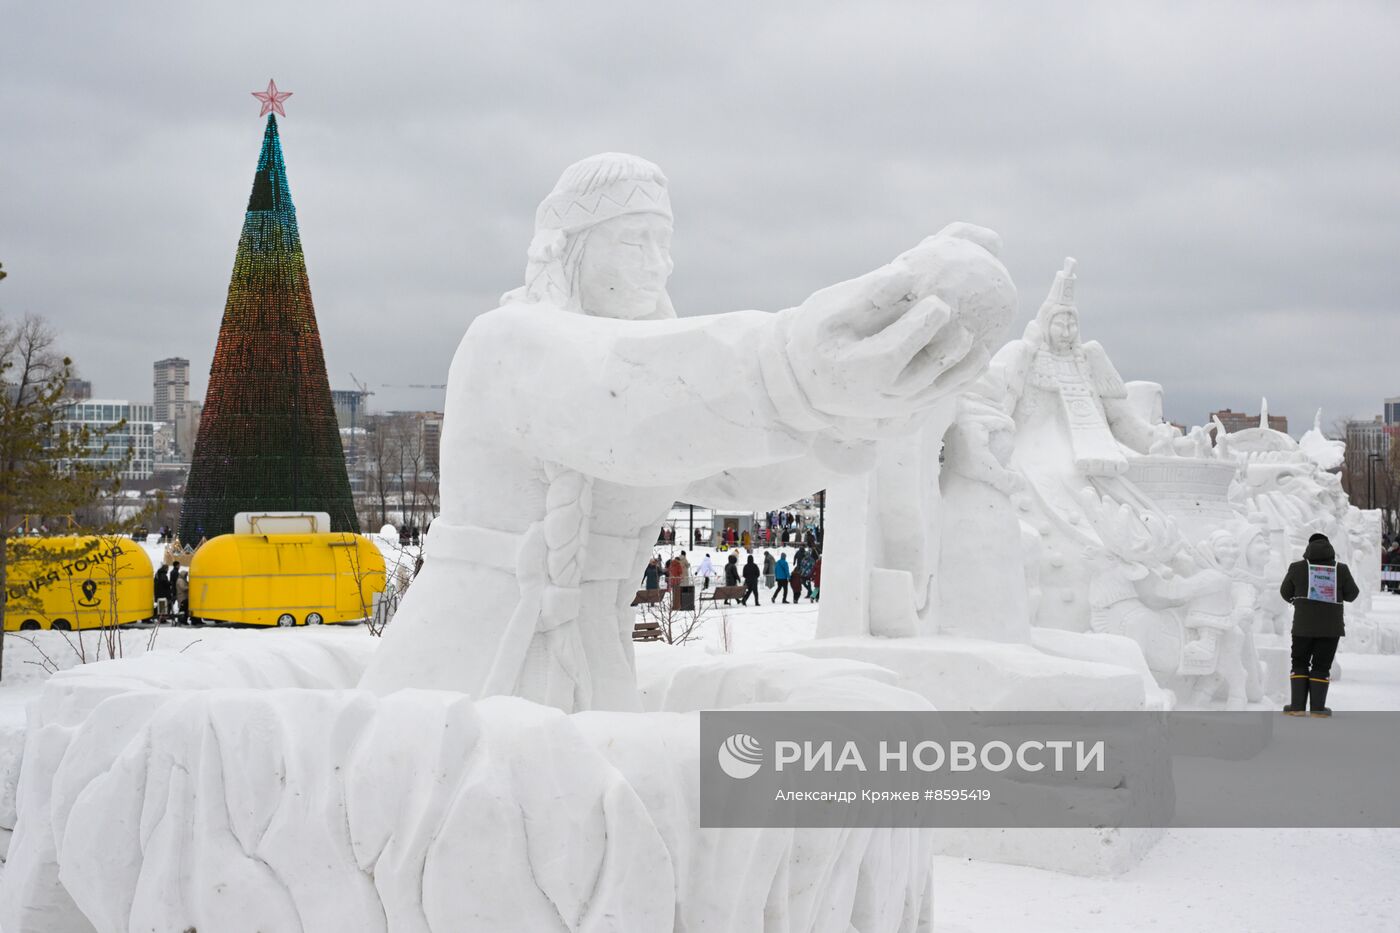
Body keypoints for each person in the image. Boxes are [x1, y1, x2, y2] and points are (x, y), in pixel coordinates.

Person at [1280, 533, 1360, 717]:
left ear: (1308, 549)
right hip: (1330, 628)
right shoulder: (1341, 569)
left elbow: (1285, 592)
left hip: (1302, 626)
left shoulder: (1297, 567)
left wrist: (1297, 600)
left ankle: (1297, 707)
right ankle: (1317, 709)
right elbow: (1353, 594)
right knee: (1322, 665)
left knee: (1299, 661)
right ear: (1330, 549)